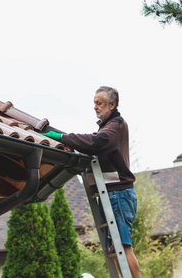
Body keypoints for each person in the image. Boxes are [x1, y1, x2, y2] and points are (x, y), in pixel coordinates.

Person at [42, 86, 141, 278]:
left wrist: (63, 137)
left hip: (119, 194)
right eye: (94, 103)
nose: (95, 107)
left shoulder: (116, 125)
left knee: (123, 247)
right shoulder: (106, 127)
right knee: (115, 248)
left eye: (99, 103)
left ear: (112, 105)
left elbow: (98, 141)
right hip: (111, 194)